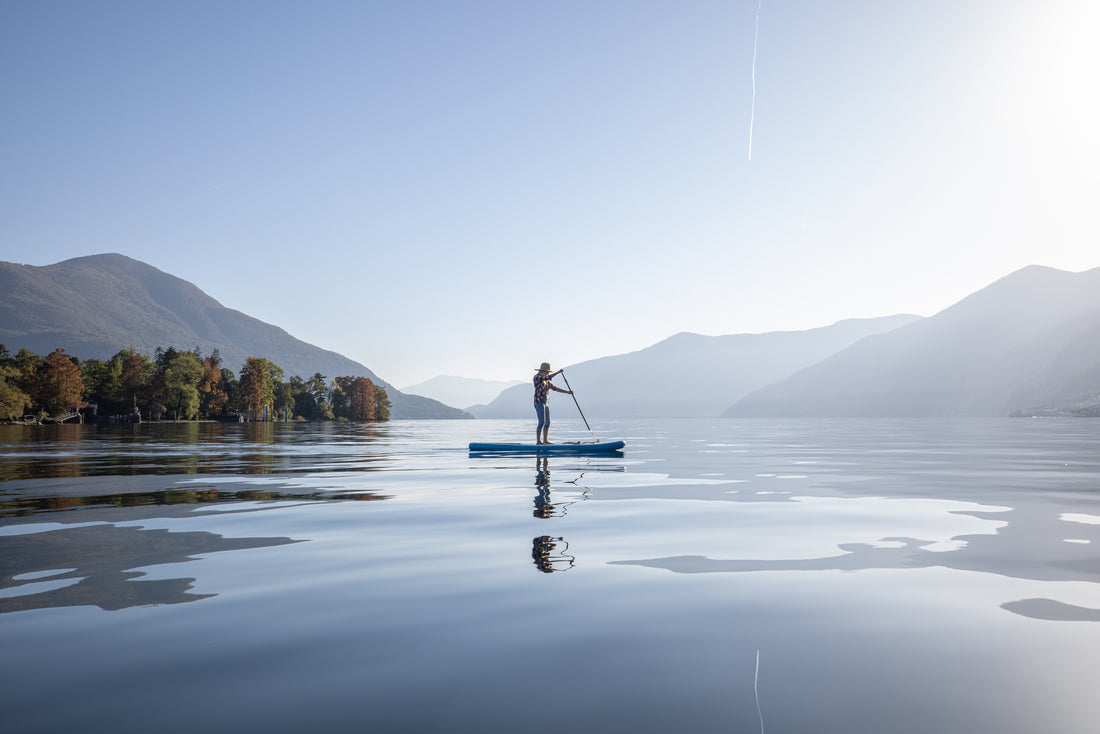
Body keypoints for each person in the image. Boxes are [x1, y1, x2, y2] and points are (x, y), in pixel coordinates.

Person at [533, 362, 572, 445]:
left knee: (548, 422)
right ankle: (538, 441)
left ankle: (545, 440)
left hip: (546, 403)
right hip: (539, 402)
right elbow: (548, 377)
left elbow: (555, 388)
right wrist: (558, 372)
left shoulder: (547, 382)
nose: (548, 373)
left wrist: (568, 392)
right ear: (543, 371)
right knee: (541, 422)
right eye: (547, 371)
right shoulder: (537, 377)